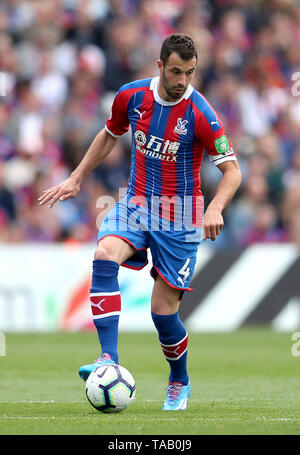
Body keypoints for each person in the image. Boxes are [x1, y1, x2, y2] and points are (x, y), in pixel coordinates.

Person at [38, 33, 242, 410]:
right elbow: (109, 135)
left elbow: (232, 172)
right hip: (135, 203)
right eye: (177, 71)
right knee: (103, 253)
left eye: (190, 73)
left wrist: (215, 208)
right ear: (160, 65)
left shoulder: (202, 113)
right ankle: (107, 359)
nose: (183, 80)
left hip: (180, 217)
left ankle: (179, 380)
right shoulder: (131, 97)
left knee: (162, 314)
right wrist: (76, 177)